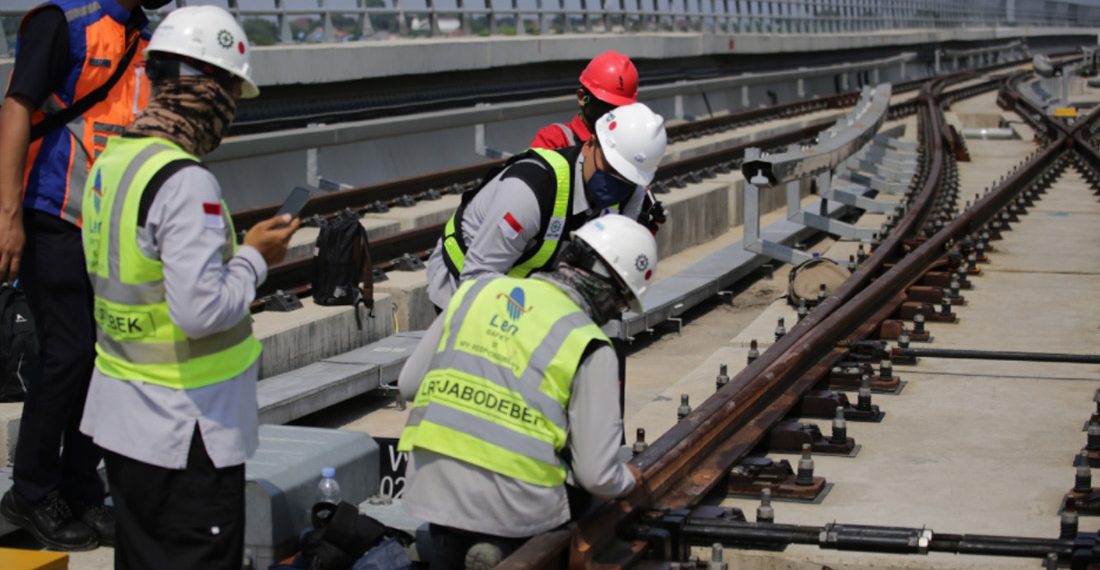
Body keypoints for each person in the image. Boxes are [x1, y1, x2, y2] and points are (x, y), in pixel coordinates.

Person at [76, 6, 299, 568]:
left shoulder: (114, 161)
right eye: (228, 95)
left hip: (124, 422)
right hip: (189, 431)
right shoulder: (186, 181)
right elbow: (201, 311)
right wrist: (254, 257)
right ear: (210, 90)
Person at [0, 0, 168, 550]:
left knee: (105, 361)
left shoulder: (144, 37)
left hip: (109, 228)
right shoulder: (64, 22)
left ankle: (79, 489)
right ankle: (30, 490)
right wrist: (9, 217)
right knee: (67, 355)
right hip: (55, 213)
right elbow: (17, 108)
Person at [398, 214, 657, 569]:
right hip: (516, 508)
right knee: (588, 490)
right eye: (623, 303)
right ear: (614, 293)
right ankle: (506, 549)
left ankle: (447, 544)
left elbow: (409, 385)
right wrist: (629, 480)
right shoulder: (589, 343)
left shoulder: (475, 291)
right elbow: (598, 475)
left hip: (430, 488)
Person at [425, 102, 667, 312]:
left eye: (626, 176)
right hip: (460, 284)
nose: (616, 181)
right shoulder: (530, 191)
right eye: (610, 167)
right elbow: (476, 278)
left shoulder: (631, 193)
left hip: (527, 286)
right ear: (590, 144)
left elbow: (606, 280)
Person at [529, 50, 638, 150]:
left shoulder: (630, 144)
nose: (613, 114)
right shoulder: (555, 140)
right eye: (606, 105)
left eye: (620, 108)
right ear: (582, 97)